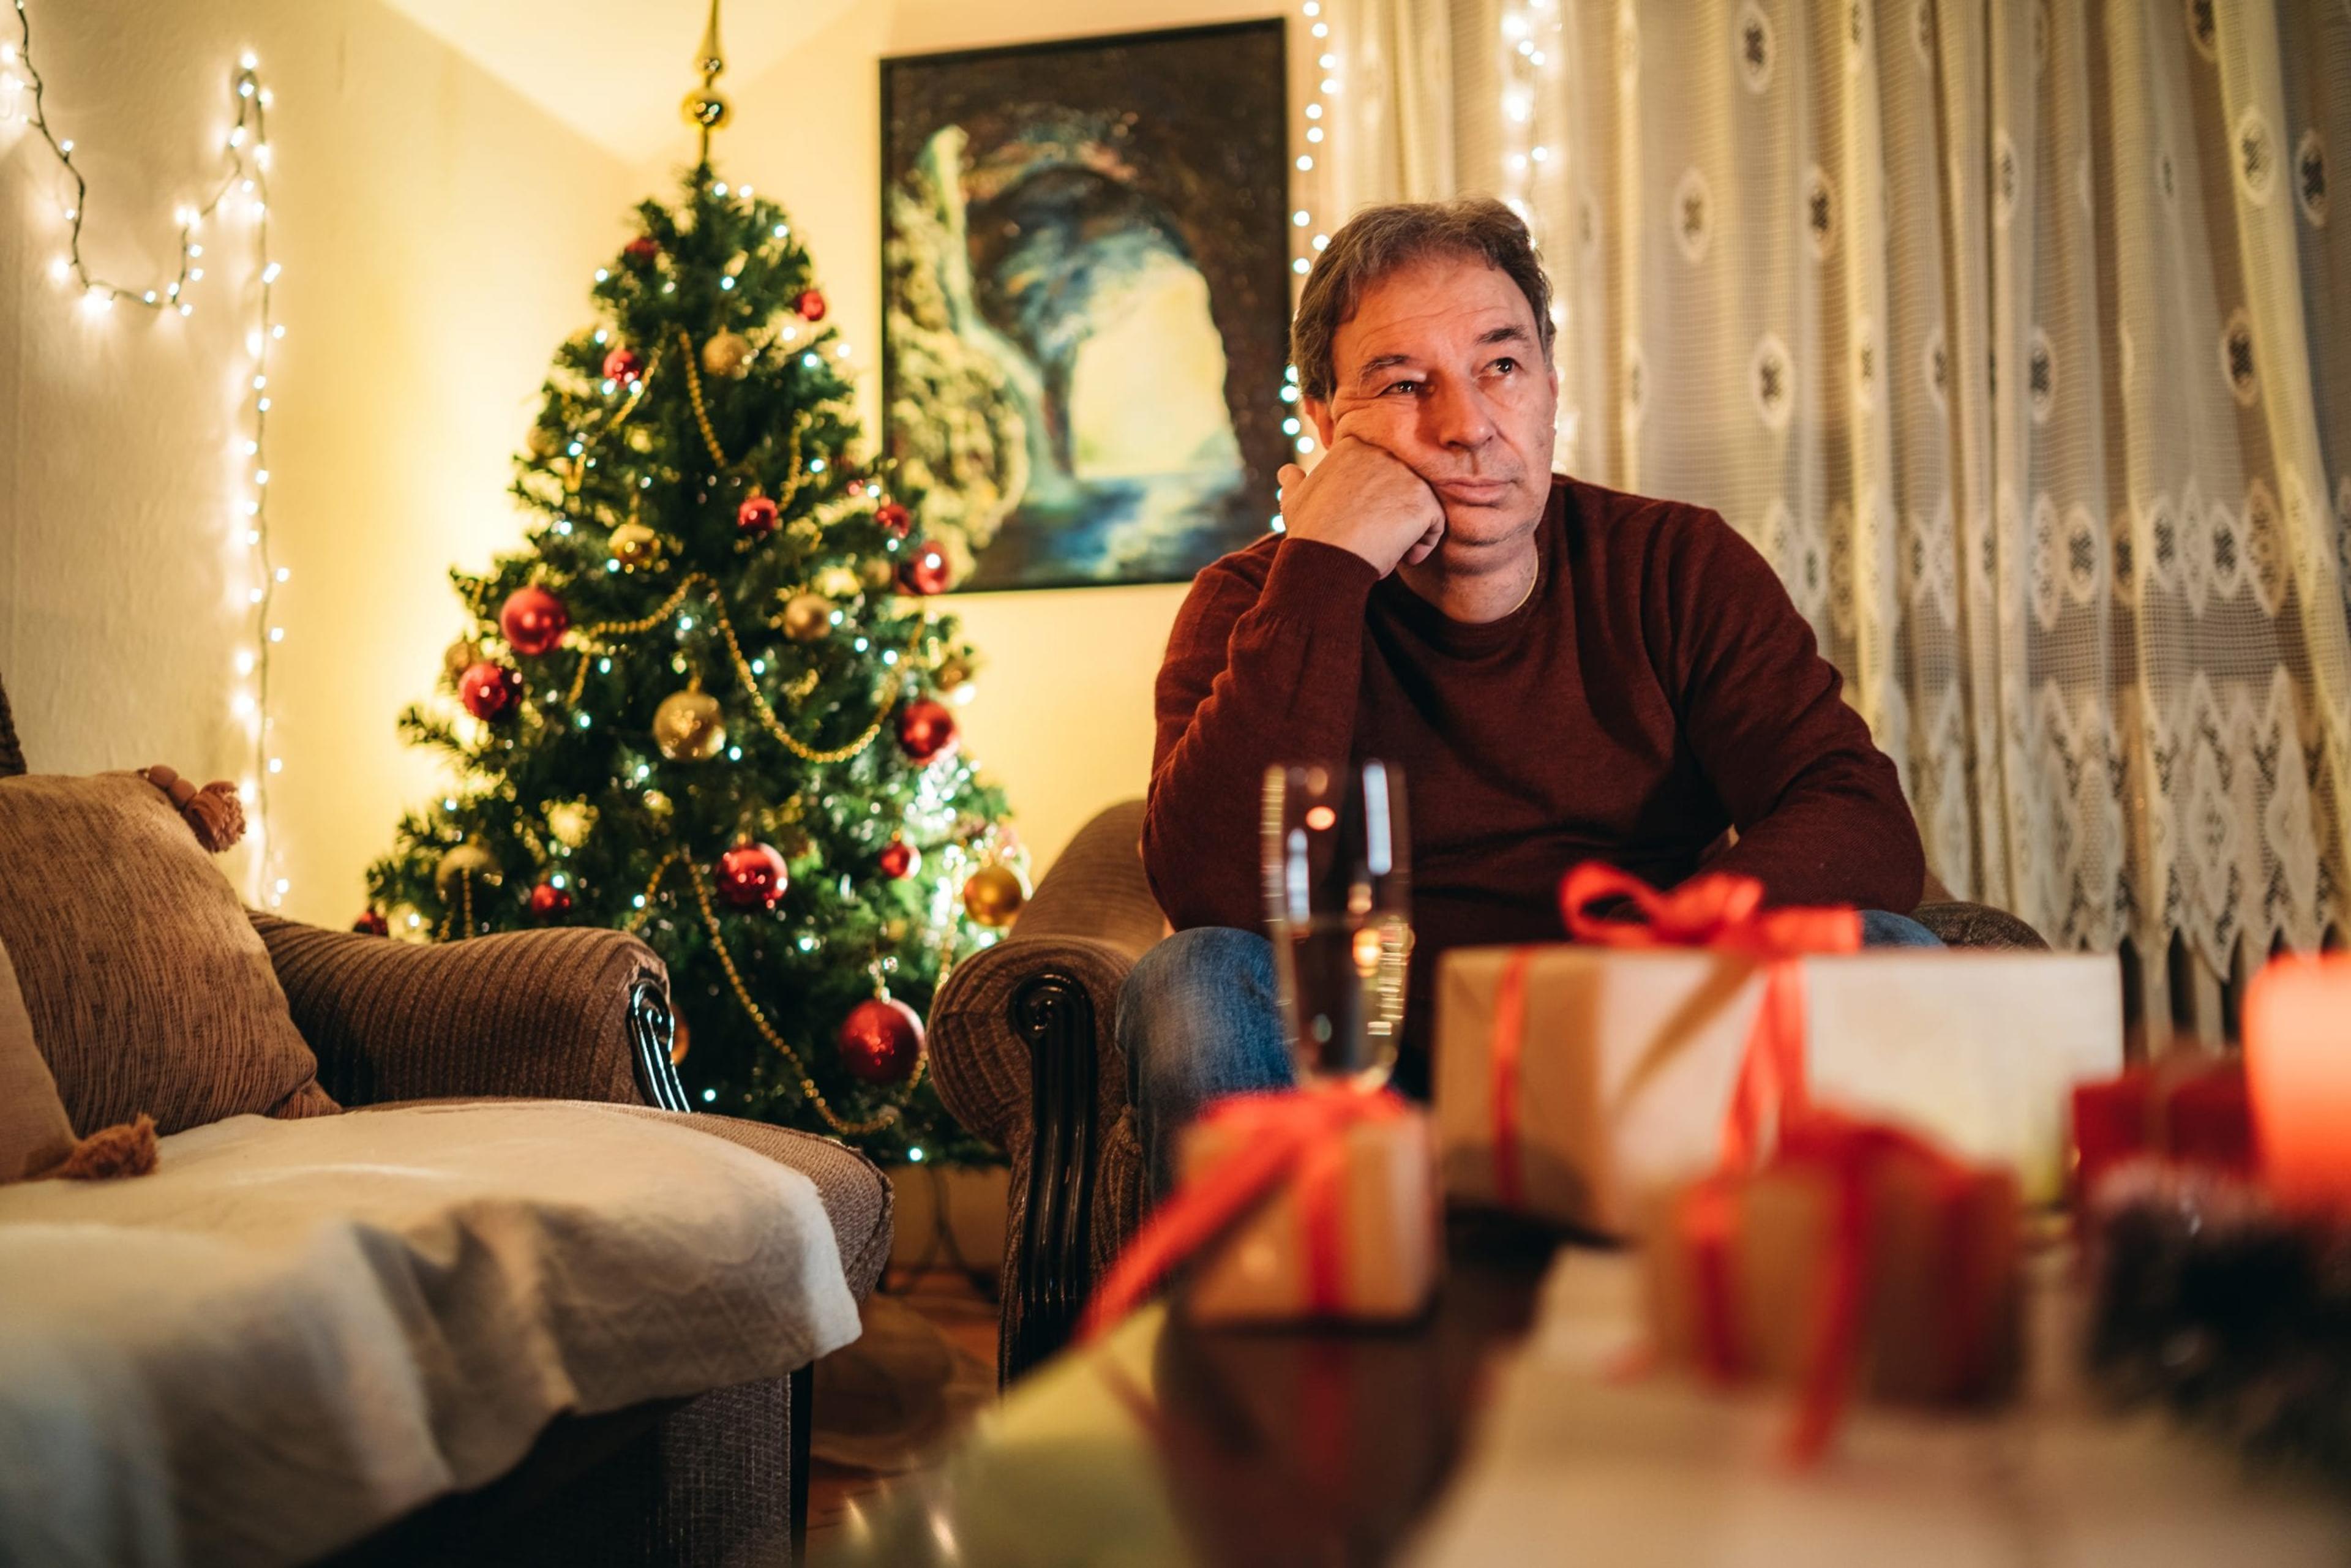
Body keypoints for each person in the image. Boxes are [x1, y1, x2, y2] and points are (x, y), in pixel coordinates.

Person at [1125, 197, 1938, 1205]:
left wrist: (1649, 962)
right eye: (1403, 383)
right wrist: (1326, 565)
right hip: (1370, 1089)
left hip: (1644, 1056)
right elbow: (1212, 897)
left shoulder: (1676, 566)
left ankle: (1824, 1351)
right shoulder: (1258, 600)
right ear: (1330, 426)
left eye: (1501, 366)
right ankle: (1303, 1349)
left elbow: (1861, 818)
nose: (1467, 426)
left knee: (1893, 952)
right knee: (1196, 976)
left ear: (1551, 385)